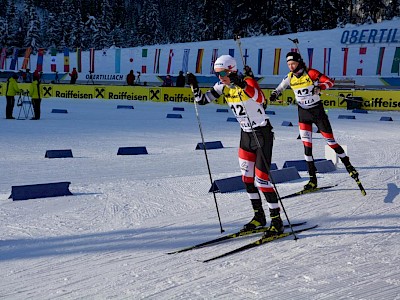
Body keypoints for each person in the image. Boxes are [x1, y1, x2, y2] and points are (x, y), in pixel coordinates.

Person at [187, 55, 283, 237]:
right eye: (216, 73)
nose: (219, 77)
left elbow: (261, 99)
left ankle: (277, 221)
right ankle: (259, 217)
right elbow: (202, 100)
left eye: (222, 73)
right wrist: (194, 86)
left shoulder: (247, 81)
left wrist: (243, 84)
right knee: (247, 179)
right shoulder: (223, 86)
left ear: (231, 70)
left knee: (262, 180)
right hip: (245, 135)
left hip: (262, 134)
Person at [270, 51, 359, 189]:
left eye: (293, 63)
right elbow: (280, 88)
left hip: (317, 112)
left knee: (331, 142)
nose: (291, 66)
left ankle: (349, 166)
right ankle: (313, 180)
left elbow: (330, 82)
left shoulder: (310, 73)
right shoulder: (289, 77)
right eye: (288, 64)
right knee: (307, 148)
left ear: (299, 62)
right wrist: (275, 94)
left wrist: (320, 87)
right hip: (303, 114)